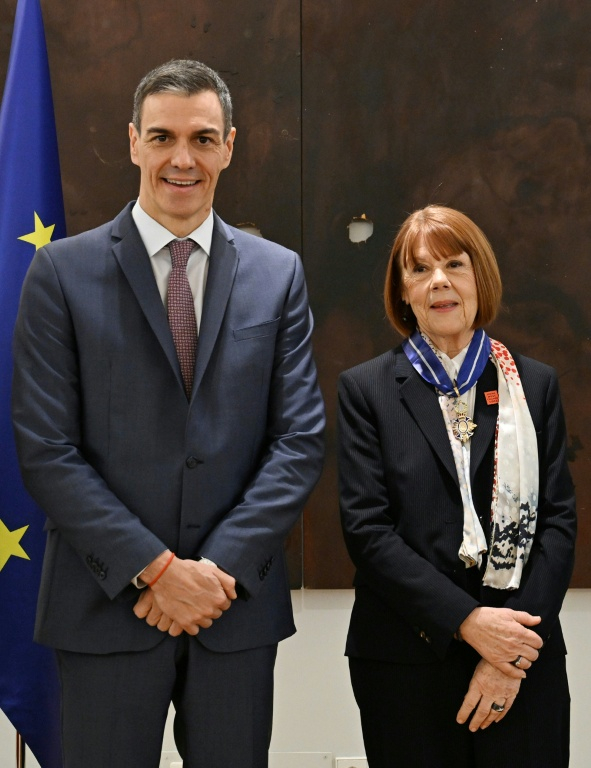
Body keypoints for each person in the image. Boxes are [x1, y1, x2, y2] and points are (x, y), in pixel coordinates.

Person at [11, 59, 325, 768]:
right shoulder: (60, 274)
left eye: (203, 138)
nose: (182, 159)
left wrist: (212, 570)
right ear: (132, 142)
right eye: (162, 137)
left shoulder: (279, 274)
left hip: (232, 608)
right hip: (104, 608)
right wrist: (155, 571)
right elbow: (46, 450)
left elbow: (299, 440)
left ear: (230, 145)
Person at [338, 205, 575, 767]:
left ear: (479, 277)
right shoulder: (366, 390)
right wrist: (468, 623)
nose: (438, 281)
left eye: (453, 264)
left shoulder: (534, 385)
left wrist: (505, 655)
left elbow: (558, 525)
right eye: (419, 270)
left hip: (522, 661)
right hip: (406, 665)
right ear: (403, 291)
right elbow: (367, 530)